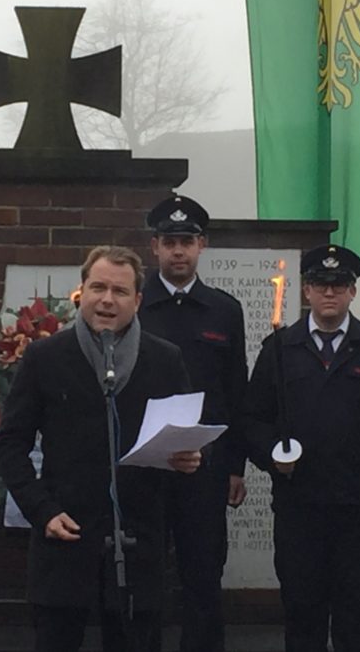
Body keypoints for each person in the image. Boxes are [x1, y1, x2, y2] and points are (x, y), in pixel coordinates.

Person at [0, 245, 203, 652]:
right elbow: (10, 443)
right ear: (81, 292)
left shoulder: (164, 359)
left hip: (137, 540)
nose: (107, 299)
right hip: (65, 534)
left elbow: (188, 436)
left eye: (120, 291)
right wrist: (42, 510)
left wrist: (193, 456)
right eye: (98, 287)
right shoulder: (45, 357)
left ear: (138, 301)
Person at [243, 244, 360, 652]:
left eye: (339, 285)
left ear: (353, 291)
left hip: (359, 508)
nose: (329, 293)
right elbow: (254, 419)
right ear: (306, 292)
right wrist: (271, 458)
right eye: (320, 284)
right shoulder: (279, 348)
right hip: (301, 507)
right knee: (303, 612)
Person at [138, 194, 248, 652]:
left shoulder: (223, 309)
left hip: (204, 465)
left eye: (186, 241)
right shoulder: (135, 304)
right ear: (154, 247)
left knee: (202, 575)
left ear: (202, 245)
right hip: (143, 462)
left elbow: (234, 391)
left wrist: (236, 465)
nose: (178, 251)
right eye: (169, 242)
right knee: (142, 575)